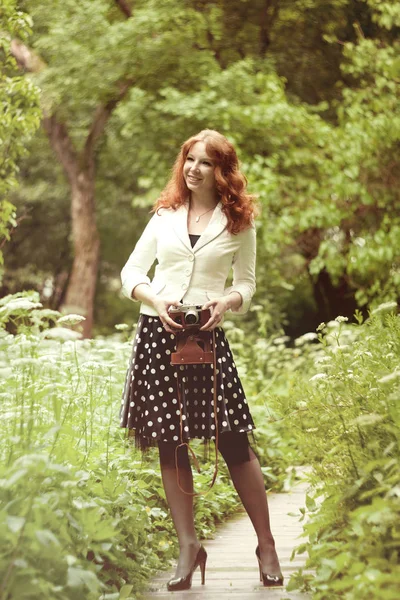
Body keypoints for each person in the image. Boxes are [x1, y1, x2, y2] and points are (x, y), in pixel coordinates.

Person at [119, 129, 283, 591]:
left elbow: (247, 284)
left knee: (234, 442)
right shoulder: (164, 215)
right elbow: (131, 272)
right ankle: (188, 546)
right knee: (171, 445)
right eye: (189, 160)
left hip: (208, 339)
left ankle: (266, 543)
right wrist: (154, 301)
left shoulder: (239, 222)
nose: (194, 169)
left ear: (222, 171)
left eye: (205, 163)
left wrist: (225, 303)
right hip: (159, 334)